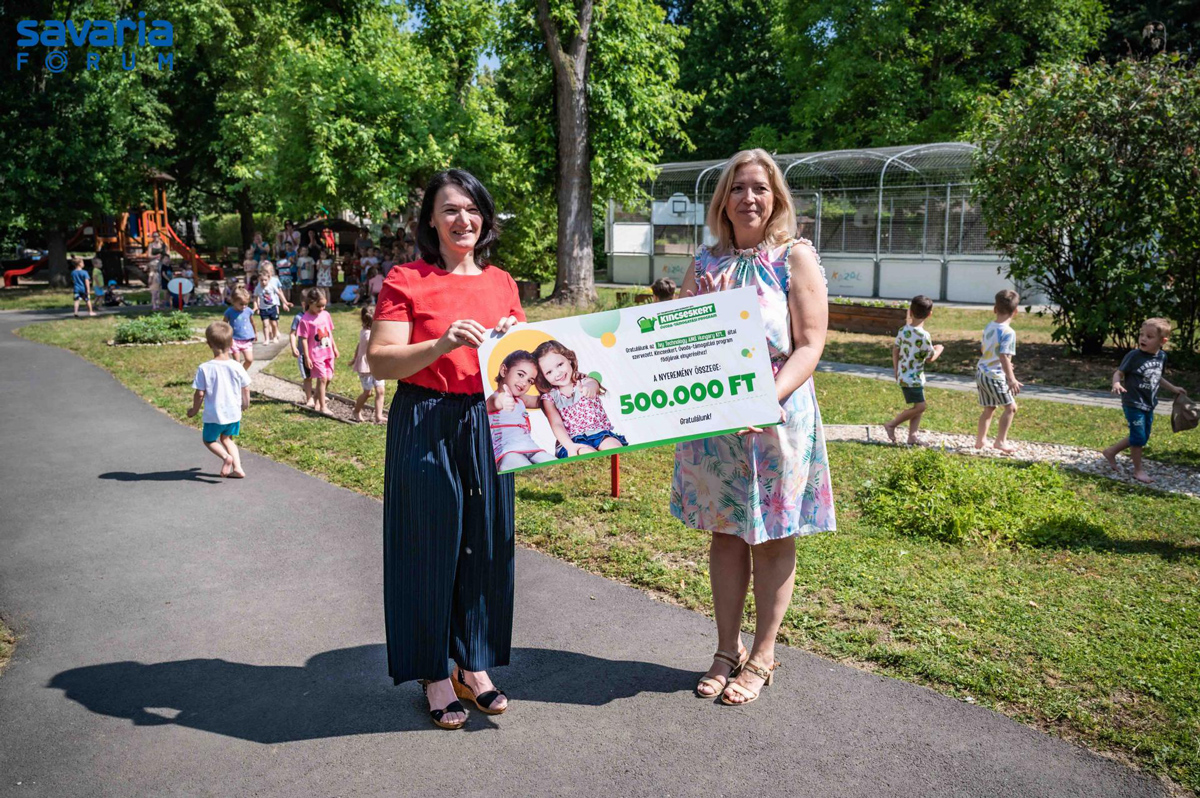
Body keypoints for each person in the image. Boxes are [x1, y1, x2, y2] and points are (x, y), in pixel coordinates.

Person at [672, 149, 836, 706]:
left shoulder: (795, 258)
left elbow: (810, 345)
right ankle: (725, 649)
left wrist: (763, 400)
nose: (749, 198)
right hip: (715, 419)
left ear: (776, 199)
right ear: (723, 200)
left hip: (776, 416)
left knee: (772, 534)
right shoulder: (706, 261)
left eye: (760, 189)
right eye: (738, 188)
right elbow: (677, 346)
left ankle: (763, 655)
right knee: (725, 531)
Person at [367, 168, 524, 730]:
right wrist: (441, 343)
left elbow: (522, 370)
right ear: (430, 219)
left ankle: (473, 665)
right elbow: (381, 360)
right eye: (451, 209)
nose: (464, 220)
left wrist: (513, 342)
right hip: (426, 417)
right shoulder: (406, 278)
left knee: (486, 544)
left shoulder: (503, 282)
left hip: (490, 421)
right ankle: (434, 673)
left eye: (473, 209)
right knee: (426, 546)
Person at [1102, 318, 1189, 483]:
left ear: (1162, 341)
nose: (1143, 339)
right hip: (1133, 402)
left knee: (1141, 436)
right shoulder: (1134, 356)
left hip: (1149, 403)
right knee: (1139, 437)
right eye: (1141, 334)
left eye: (1149, 336)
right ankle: (1138, 471)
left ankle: (1111, 452)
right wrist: (1116, 383)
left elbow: (1158, 377)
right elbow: (1119, 373)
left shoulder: (1161, 357)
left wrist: (1173, 388)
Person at [534, 340, 625, 458]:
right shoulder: (549, 398)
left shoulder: (584, 381)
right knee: (587, 454)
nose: (557, 373)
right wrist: (569, 445)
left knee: (613, 447)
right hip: (572, 441)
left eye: (560, 365)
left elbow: (593, 385)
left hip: (600, 434)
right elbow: (557, 425)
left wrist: (589, 389)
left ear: (569, 359)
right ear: (543, 377)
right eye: (549, 372)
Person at [186, 321, 251, 478]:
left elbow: (200, 394)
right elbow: (246, 387)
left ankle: (226, 458)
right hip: (233, 413)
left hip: (214, 415)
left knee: (209, 440)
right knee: (227, 439)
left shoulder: (205, 368)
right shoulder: (237, 366)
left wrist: (194, 410)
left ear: (209, 344)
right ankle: (238, 468)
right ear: (232, 342)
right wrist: (245, 404)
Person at [884, 295, 944, 445]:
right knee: (920, 406)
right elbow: (930, 358)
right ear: (930, 314)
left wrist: (896, 370)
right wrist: (939, 349)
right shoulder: (924, 336)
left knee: (918, 407)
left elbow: (895, 350)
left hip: (906, 375)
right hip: (913, 378)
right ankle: (891, 424)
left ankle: (913, 436)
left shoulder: (903, 330)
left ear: (910, 311)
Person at [487, 350, 554, 470]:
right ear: (504, 371)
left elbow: (544, 400)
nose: (524, 383)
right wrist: (502, 401)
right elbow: (495, 402)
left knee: (552, 462)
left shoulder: (521, 399)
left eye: (530, 381)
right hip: (507, 452)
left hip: (531, 448)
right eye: (521, 375)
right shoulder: (494, 398)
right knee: (522, 467)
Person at [975, 289, 1022, 454]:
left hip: (982, 372)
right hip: (994, 376)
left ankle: (981, 441)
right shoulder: (1009, 332)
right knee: (1011, 408)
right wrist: (1011, 378)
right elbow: (1003, 356)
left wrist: (1006, 364)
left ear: (995, 308)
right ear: (1015, 311)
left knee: (989, 407)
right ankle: (1000, 442)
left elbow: (986, 349)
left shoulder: (990, 326)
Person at [296, 287, 339, 414]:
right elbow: (303, 339)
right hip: (316, 354)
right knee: (322, 378)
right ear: (310, 302)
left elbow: (329, 332)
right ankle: (322, 406)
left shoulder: (326, 315)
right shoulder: (305, 320)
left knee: (329, 378)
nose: (322, 309)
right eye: (319, 306)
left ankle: (316, 397)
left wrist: (334, 347)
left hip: (327, 352)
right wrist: (307, 357)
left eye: (324, 306)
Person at [350, 305, 386, 423]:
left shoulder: (370, 332)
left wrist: (355, 358)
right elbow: (363, 345)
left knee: (380, 391)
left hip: (377, 365)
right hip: (366, 366)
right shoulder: (367, 334)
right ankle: (356, 411)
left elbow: (359, 346)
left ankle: (378, 416)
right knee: (367, 393)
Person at [288, 296, 315, 407]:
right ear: (304, 304)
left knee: (320, 375)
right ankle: (309, 398)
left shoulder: (316, 316)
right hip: (304, 353)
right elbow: (293, 333)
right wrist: (294, 347)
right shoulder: (299, 317)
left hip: (316, 352)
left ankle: (319, 394)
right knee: (308, 377)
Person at [224, 287, 258, 370]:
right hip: (234, 339)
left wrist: (255, 333)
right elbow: (224, 324)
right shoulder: (229, 312)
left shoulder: (248, 311)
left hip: (247, 339)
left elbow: (252, 322)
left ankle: (242, 372)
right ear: (233, 301)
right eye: (241, 304)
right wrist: (227, 337)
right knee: (237, 362)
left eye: (246, 304)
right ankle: (238, 376)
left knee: (249, 360)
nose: (244, 306)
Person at [254, 268, 289, 344]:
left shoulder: (272, 286)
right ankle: (266, 339)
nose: (263, 282)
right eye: (261, 280)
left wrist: (285, 302)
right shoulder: (257, 288)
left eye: (265, 280)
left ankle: (275, 337)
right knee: (265, 324)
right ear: (258, 280)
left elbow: (279, 294)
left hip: (272, 308)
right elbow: (255, 298)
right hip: (263, 309)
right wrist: (256, 307)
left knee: (274, 324)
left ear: (269, 279)